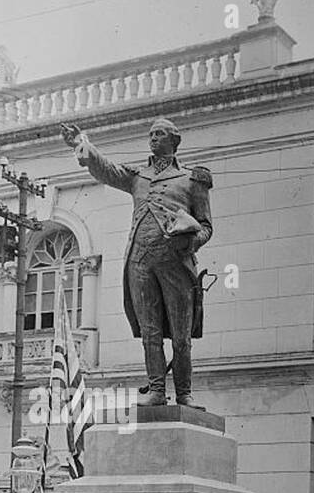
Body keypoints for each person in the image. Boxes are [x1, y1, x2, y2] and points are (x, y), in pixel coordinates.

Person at [61, 116, 213, 408]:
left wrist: (189, 242)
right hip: (140, 261)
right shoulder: (138, 177)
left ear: (174, 141)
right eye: (151, 134)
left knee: (181, 338)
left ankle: (184, 394)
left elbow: (207, 226)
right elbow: (107, 170)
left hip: (176, 265)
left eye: (159, 134)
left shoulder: (193, 179)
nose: (153, 138)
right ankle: (157, 390)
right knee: (150, 333)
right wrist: (83, 144)